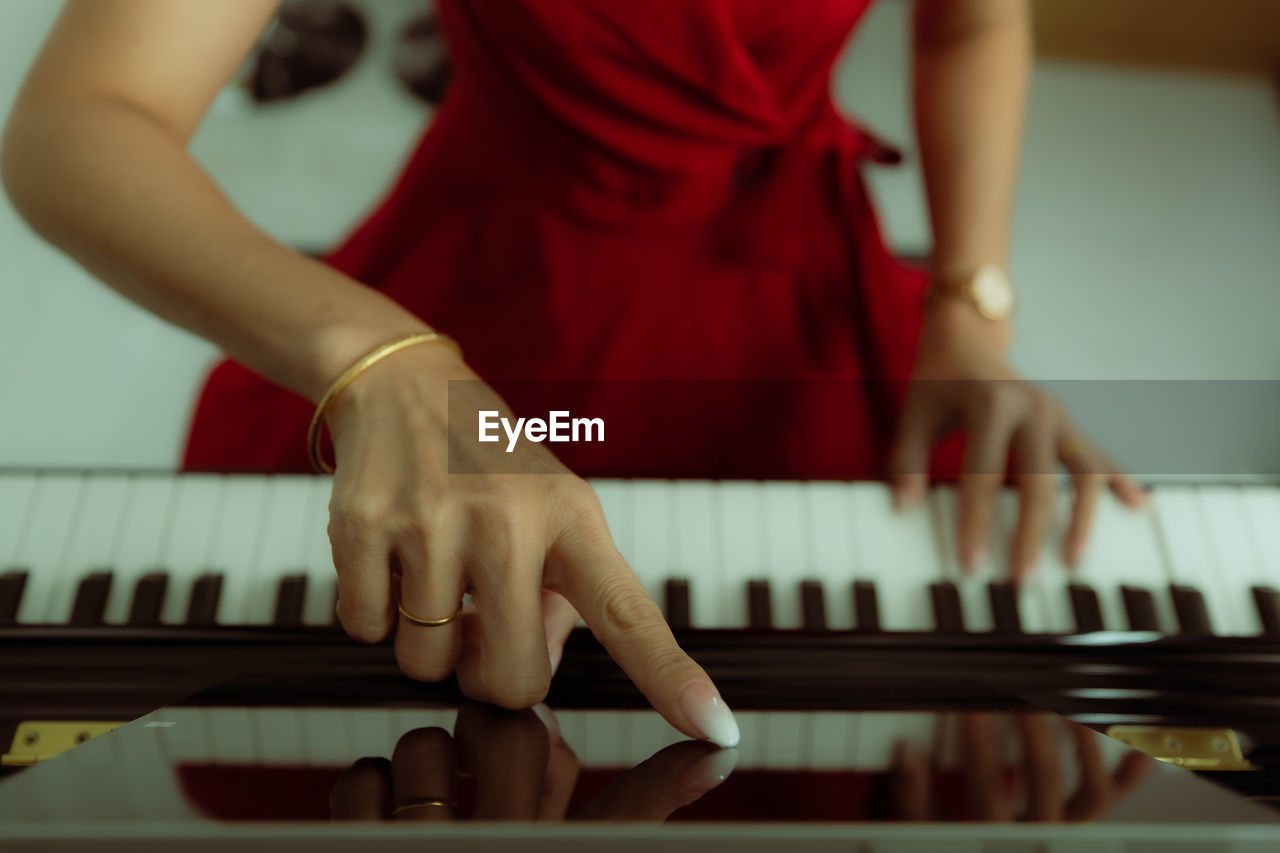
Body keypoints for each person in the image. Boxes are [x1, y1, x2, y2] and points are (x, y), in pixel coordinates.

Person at [1, 0, 1144, 750]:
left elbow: (968, 27)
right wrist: (373, 357)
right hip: (497, 276)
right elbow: (77, 120)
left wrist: (966, 309)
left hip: (794, 277)